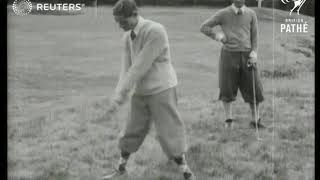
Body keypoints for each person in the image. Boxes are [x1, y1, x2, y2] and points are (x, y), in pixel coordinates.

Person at [102, 0, 195, 179]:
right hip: (141, 91)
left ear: (135, 14)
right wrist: (118, 96)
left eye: (122, 21)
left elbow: (139, 66)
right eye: (117, 21)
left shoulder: (156, 31)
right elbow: (126, 69)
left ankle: (187, 173)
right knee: (131, 129)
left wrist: (122, 94)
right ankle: (120, 169)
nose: (120, 25)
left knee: (169, 131)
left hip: (162, 89)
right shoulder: (127, 36)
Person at [200, 0, 265, 129]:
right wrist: (218, 36)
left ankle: (255, 121)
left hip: (248, 56)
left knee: (254, 87)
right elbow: (204, 27)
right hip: (229, 55)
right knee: (227, 88)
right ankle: (228, 120)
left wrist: (254, 52)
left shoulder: (251, 14)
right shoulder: (223, 14)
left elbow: (255, 36)